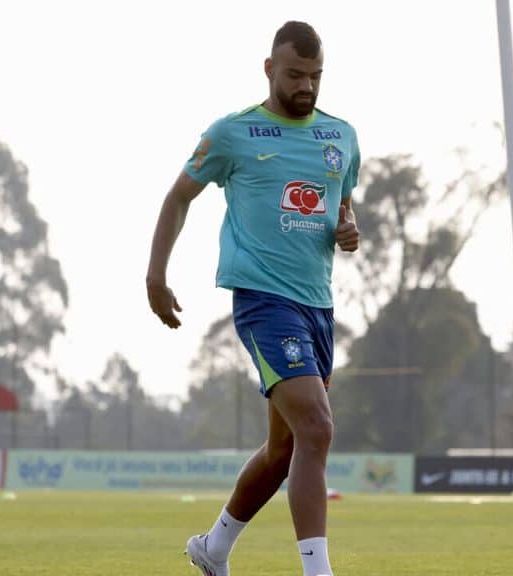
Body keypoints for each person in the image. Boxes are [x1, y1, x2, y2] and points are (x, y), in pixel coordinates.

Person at [146, 21, 360, 576]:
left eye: (315, 76)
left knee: (284, 452)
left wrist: (349, 227)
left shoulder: (341, 137)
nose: (306, 87)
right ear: (269, 69)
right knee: (318, 427)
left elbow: (342, 206)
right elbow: (178, 197)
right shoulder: (234, 133)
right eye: (295, 75)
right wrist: (155, 274)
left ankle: (212, 549)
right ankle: (319, 571)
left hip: (318, 307)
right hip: (264, 303)